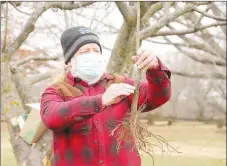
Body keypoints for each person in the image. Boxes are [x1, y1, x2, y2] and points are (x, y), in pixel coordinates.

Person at [40, 26, 171, 166]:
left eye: (96, 50)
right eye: (84, 51)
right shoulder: (57, 91)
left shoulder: (121, 83)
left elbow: (158, 96)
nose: (92, 54)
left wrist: (155, 68)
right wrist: (100, 101)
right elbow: (51, 117)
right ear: (70, 59)